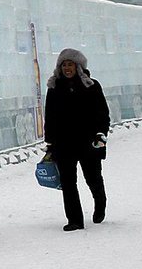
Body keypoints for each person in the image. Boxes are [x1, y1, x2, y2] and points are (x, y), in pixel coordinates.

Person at [43, 47, 110, 231]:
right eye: (64, 64)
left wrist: (101, 135)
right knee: (68, 182)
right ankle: (75, 220)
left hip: (89, 142)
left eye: (70, 64)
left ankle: (100, 203)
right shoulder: (54, 87)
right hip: (63, 143)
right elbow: (50, 116)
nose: (67, 68)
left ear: (78, 66)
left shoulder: (92, 86)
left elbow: (102, 113)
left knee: (93, 178)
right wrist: (50, 142)